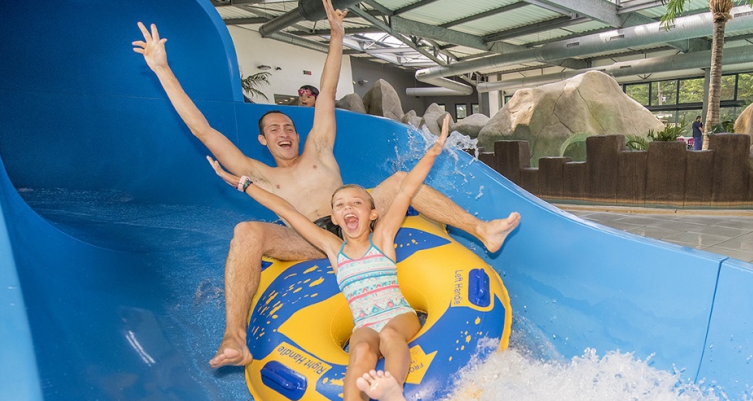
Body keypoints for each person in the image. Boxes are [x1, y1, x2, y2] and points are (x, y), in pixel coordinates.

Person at [132, 0, 521, 369]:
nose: (284, 132)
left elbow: (328, 91)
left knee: (403, 181)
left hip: (356, 220)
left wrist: (337, 35)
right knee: (246, 231)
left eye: (288, 127)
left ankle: (482, 230)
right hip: (309, 239)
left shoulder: (319, 148)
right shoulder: (260, 172)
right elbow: (203, 130)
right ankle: (234, 336)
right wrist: (163, 69)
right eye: (274, 129)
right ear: (262, 141)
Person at [204, 120, 454, 401]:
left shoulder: (383, 238)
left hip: (397, 313)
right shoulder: (334, 249)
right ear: (334, 219)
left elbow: (406, 189)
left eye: (356, 203)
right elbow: (285, 210)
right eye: (340, 205)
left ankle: (393, 391)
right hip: (363, 322)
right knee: (360, 349)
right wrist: (243, 183)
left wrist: (433, 151)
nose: (348, 208)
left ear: (373, 214)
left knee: (390, 335)